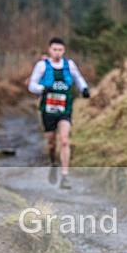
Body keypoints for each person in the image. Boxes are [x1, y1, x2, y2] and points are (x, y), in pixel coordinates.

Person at [28, 37, 90, 189]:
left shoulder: (70, 65)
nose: (57, 52)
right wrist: (43, 88)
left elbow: (78, 78)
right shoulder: (42, 66)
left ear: (64, 50)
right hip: (48, 110)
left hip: (65, 109)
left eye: (60, 50)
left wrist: (84, 89)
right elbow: (31, 85)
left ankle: (65, 176)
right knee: (51, 144)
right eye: (55, 49)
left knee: (64, 140)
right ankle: (53, 163)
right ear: (50, 50)